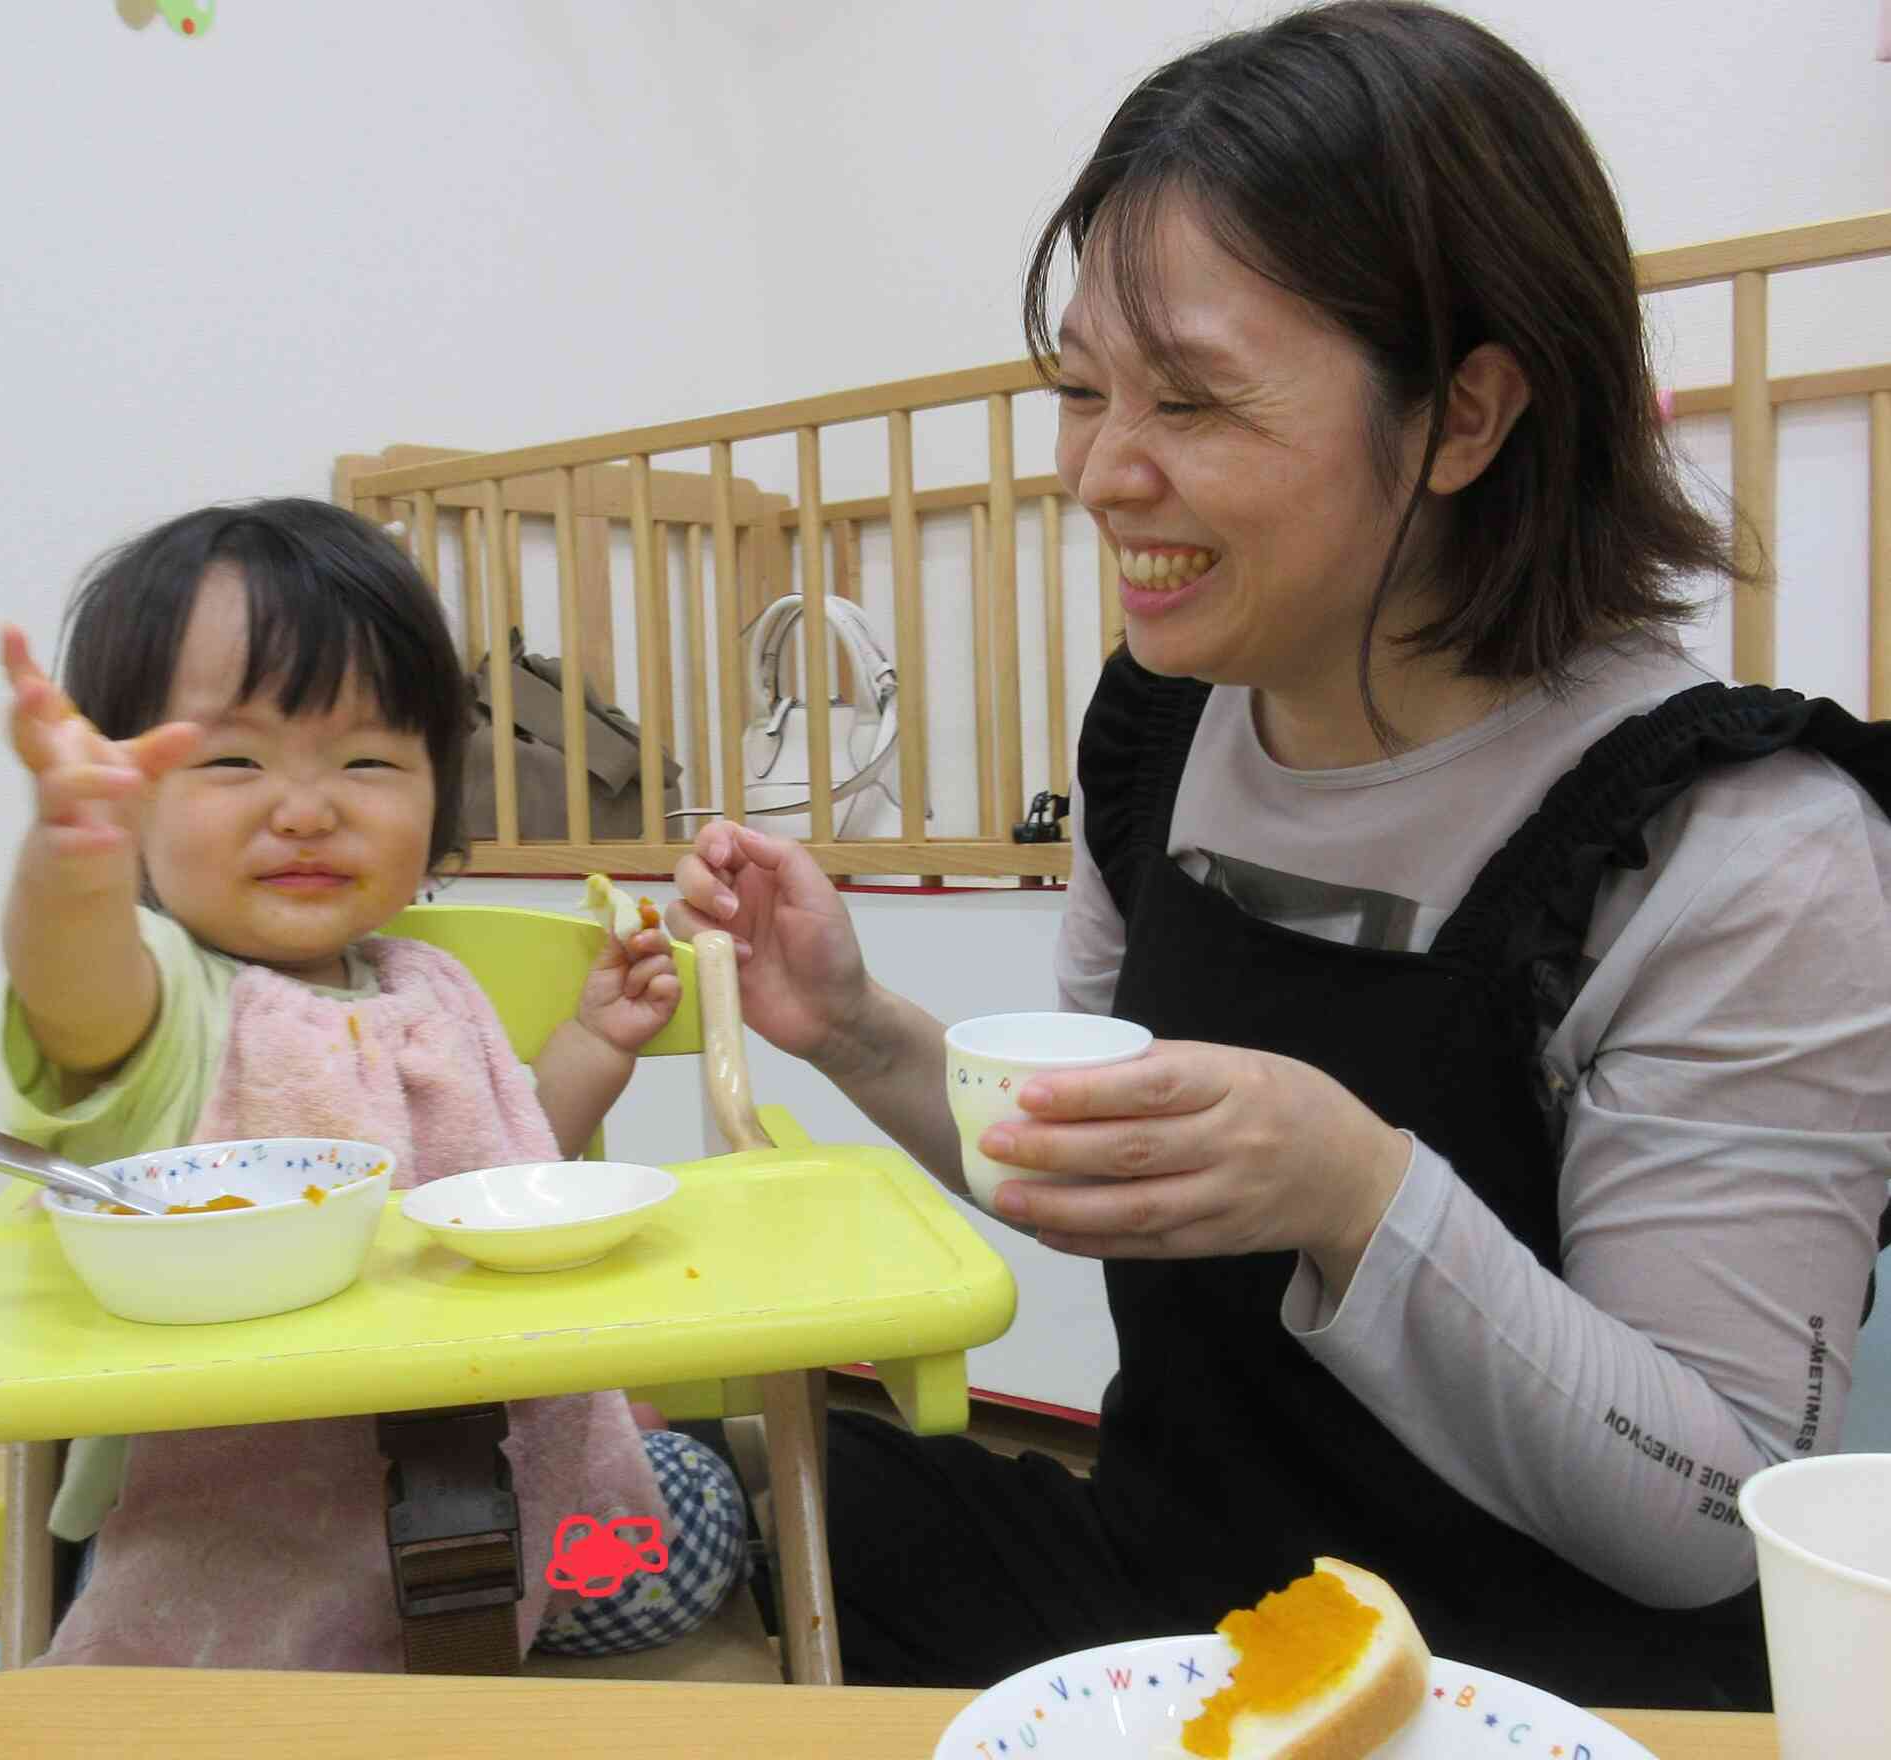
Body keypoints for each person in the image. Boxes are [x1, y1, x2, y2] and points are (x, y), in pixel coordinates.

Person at [667, 0, 1891, 1710]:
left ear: (1463, 416)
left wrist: (1352, 1192)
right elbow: (1118, 1181)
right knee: (656, 1520)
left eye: (1192, 399)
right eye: (1081, 392)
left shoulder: (1741, 845)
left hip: (1543, 1687)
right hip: (1191, 1603)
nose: (1100, 474)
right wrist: (858, 1030)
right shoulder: (1162, 729)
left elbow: (1709, 1511)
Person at [0, 496, 744, 1669]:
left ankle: (567, 1554)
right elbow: (71, 993)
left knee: (686, 1518)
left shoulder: (428, 983)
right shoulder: (167, 1005)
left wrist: (597, 1039)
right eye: (233, 758)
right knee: (699, 1489)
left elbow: (498, 1166)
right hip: (261, 1532)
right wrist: (70, 865)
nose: (309, 806)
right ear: (131, 795)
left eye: (368, 759)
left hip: (510, 1487)